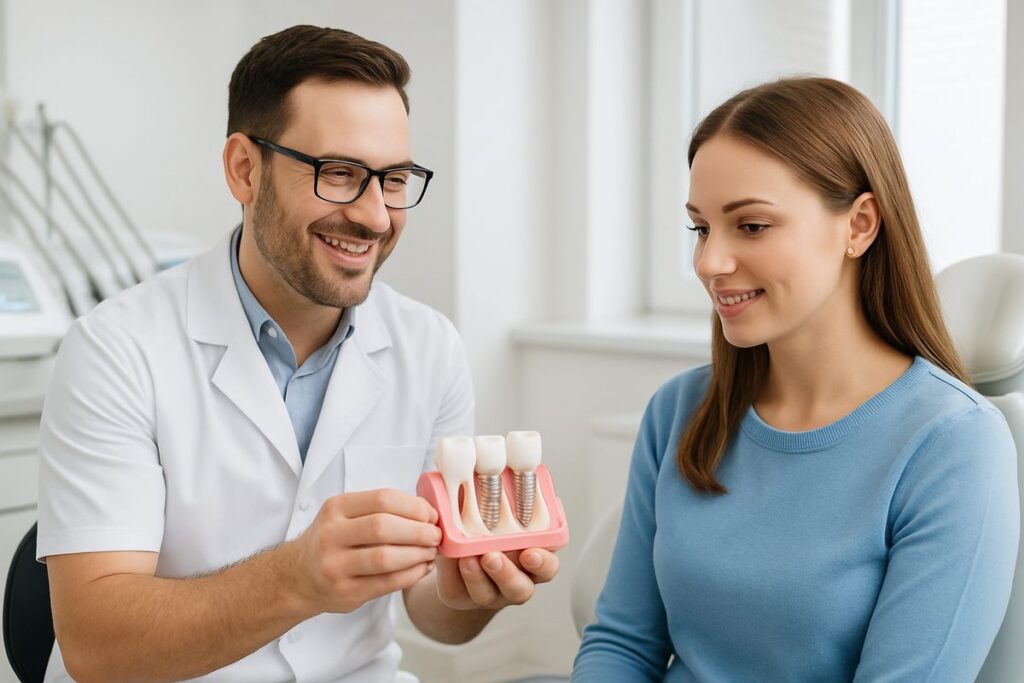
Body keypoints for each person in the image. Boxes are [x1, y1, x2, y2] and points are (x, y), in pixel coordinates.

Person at [36, 25, 559, 683]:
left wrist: (471, 590)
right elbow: (96, 645)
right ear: (244, 169)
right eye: (339, 174)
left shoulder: (429, 347)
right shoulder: (115, 350)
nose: (375, 216)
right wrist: (297, 578)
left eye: (394, 179)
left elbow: (432, 610)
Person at [572, 77, 1019, 681]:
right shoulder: (680, 409)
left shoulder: (955, 444)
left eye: (752, 226)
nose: (709, 262)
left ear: (859, 226)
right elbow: (622, 645)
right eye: (701, 228)